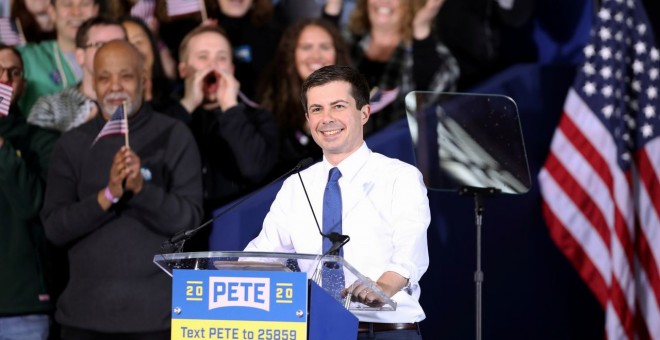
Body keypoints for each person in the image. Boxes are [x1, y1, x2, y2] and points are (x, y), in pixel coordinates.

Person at [245, 65, 430, 339]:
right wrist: (229, 274)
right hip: (315, 331)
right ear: (307, 118)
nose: (327, 118)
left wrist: (381, 287)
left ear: (364, 112)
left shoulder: (399, 177)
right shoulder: (297, 185)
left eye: (338, 106)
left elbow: (410, 253)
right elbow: (261, 256)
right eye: (317, 109)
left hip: (382, 331)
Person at [41, 40, 203, 338]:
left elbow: (189, 224)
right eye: (104, 77)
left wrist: (142, 191)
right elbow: (54, 229)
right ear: (93, 83)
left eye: (125, 76)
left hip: (158, 321)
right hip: (83, 322)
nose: (115, 86)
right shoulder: (72, 144)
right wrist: (108, 196)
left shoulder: (174, 135)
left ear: (143, 79)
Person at [163, 25, 278, 248]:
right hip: (181, 242)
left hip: (239, 238)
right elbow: (157, 166)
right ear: (183, 69)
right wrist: (187, 105)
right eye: (202, 57)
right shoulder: (164, 116)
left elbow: (254, 169)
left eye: (221, 58)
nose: (213, 66)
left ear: (232, 69)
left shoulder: (258, 117)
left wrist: (230, 107)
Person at [0, 43, 57, 340]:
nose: (4, 79)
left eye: (14, 72)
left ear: (23, 84)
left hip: (20, 308)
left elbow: (32, 205)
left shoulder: (42, 143)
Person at [343, 0, 459, 134]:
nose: (383, 2)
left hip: (395, 149)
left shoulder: (430, 53)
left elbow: (434, 94)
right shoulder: (347, 40)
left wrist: (421, 28)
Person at [258, 17, 352, 178]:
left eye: (325, 47)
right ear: (291, 54)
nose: (316, 55)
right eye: (306, 47)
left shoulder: (355, 100)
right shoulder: (272, 104)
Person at [28, 16, 126, 133]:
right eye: (100, 45)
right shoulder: (51, 108)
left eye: (120, 45)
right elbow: (39, 150)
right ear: (80, 56)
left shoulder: (136, 103)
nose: (112, 52)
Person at [17, 0, 100, 116]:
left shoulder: (111, 57)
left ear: (96, 10)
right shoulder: (26, 57)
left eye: (85, 4)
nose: (76, 12)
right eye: (67, 4)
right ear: (52, 12)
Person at [118, 15, 174, 112]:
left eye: (138, 41)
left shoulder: (174, 94)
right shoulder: (112, 104)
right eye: (126, 44)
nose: (134, 49)